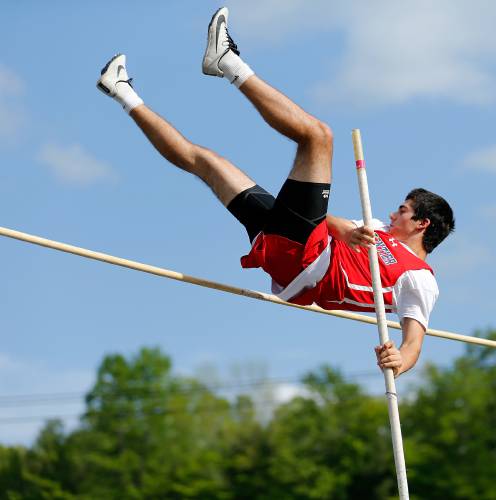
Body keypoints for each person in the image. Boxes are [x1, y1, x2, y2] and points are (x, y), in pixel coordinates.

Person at [96, 7, 455, 377]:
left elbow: (413, 343)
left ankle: (227, 62)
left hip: (308, 261)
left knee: (318, 137)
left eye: (403, 210)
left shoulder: (419, 278)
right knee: (205, 160)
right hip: (295, 244)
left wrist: (400, 361)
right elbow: (325, 219)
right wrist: (345, 228)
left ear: (423, 224)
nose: (394, 213)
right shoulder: (375, 228)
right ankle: (121, 91)